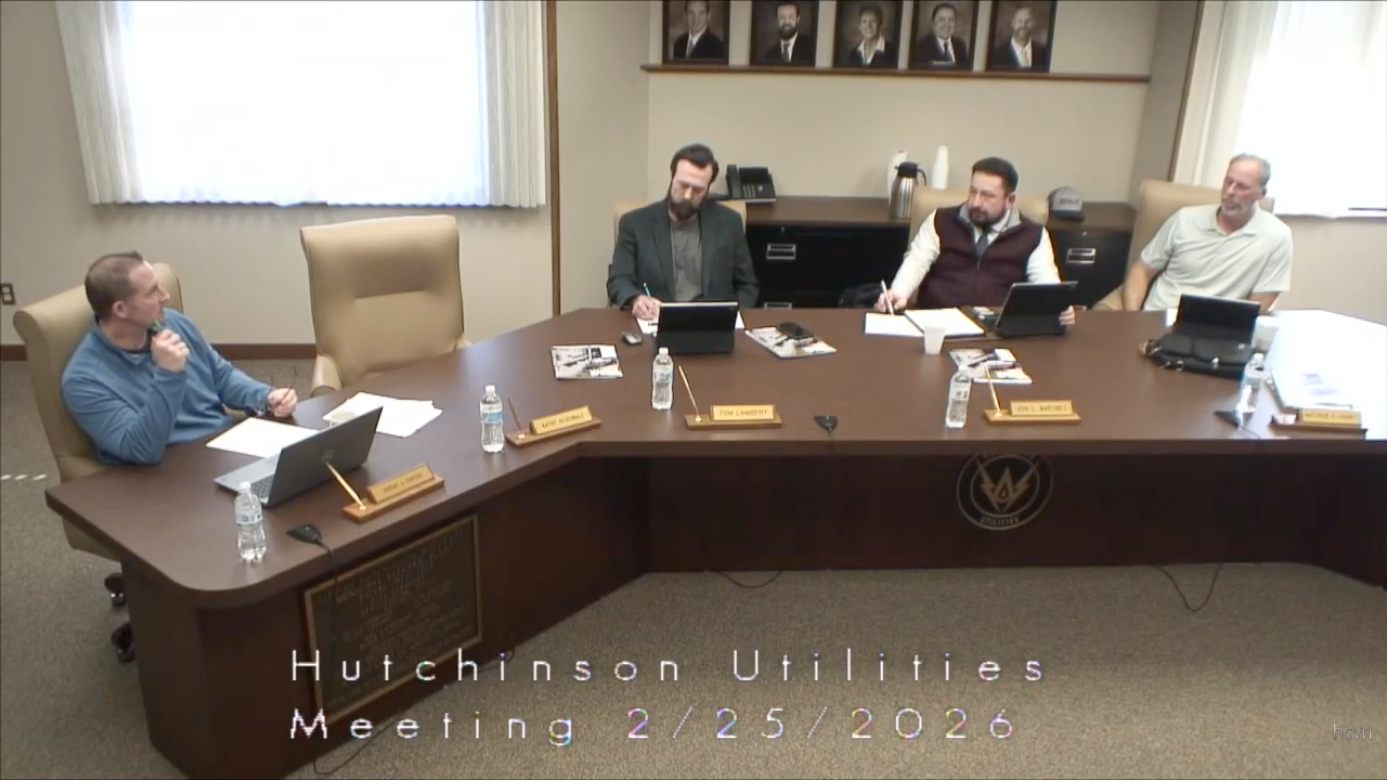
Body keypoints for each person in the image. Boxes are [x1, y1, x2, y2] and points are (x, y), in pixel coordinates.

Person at [62, 252, 298, 466]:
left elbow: (221, 376)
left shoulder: (174, 323)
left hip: (220, 449)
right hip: (165, 471)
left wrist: (264, 396)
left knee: (301, 471)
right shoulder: (84, 380)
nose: (165, 296)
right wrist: (168, 373)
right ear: (121, 310)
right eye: (152, 292)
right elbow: (142, 449)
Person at [876, 156, 1075, 326]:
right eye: (973, 191)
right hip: (937, 323)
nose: (976, 202)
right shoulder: (941, 220)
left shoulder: (1032, 234)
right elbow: (916, 261)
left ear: (1010, 200)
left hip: (996, 329)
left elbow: (1047, 287)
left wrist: (1058, 307)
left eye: (988, 196)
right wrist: (898, 293)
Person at [1123, 154, 1292, 314]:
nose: (1230, 192)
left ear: (1261, 194)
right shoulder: (1185, 219)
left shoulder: (1277, 236)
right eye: (1228, 182)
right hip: (1161, 315)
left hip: (1219, 325)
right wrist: (1132, 318)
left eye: (1242, 187)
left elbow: (1261, 302)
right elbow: (1142, 270)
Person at [608, 144, 759, 318]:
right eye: (683, 185)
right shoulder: (635, 223)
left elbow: (747, 286)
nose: (688, 195)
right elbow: (618, 280)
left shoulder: (729, 222)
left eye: (698, 190)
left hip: (711, 321)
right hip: (655, 318)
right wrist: (636, 298)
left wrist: (733, 316)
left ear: (708, 188)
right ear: (672, 178)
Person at [991, 4, 1050, 71]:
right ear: (1013, 24)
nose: (1023, 25)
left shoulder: (1044, 53)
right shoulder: (997, 55)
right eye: (1019, 21)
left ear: (1034, 24)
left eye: (1027, 21)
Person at [913, 3, 970, 69]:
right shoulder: (922, 46)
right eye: (941, 20)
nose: (946, 24)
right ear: (933, 22)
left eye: (951, 20)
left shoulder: (960, 45)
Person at [846, 3, 898, 68]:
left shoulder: (892, 53)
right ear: (860, 26)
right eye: (864, 21)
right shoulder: (853, 54)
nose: (868, 26)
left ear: (880, 23)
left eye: (873, 21)